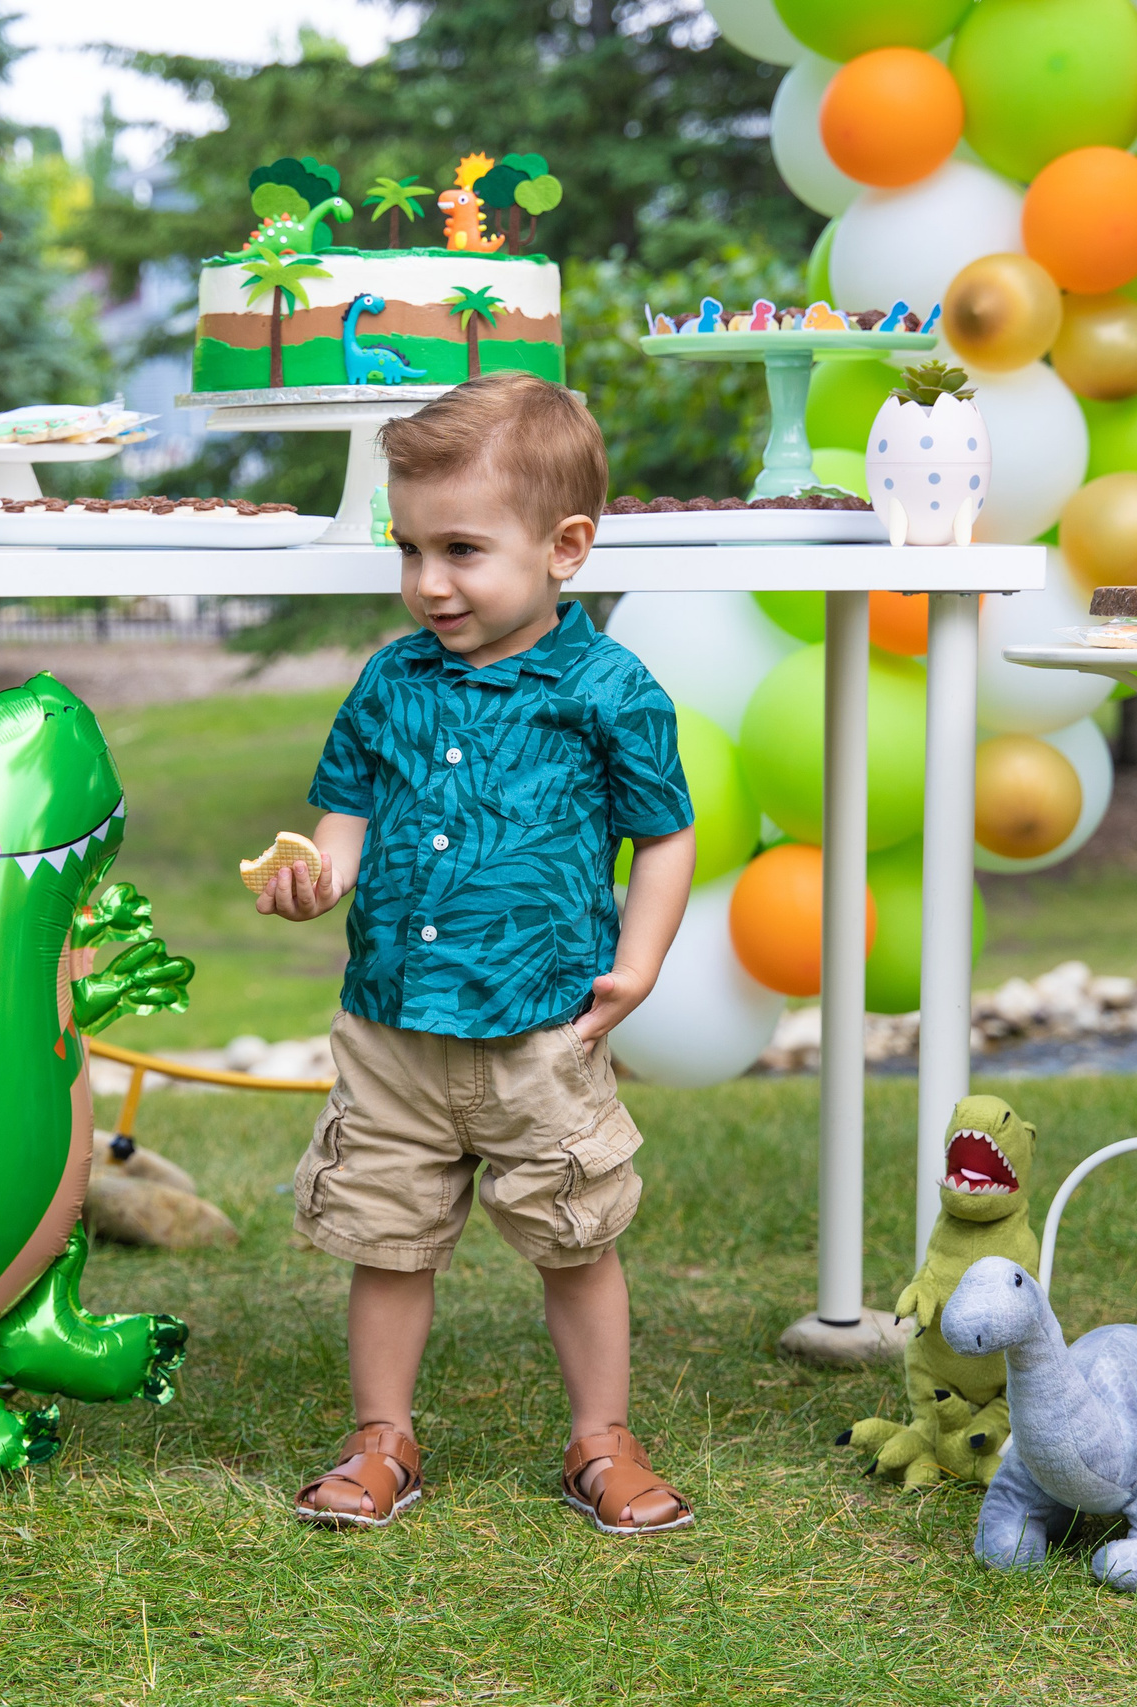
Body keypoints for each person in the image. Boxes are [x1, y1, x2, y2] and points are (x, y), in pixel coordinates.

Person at [253, 371, 699, 1535]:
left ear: (565, 548)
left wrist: (640, 962)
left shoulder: (608, 690)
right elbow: (347, 817)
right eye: (408, 550)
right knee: (388, 1237)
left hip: (540, 1026)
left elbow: (665, 834)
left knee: (573, 1234)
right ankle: (380, 1439)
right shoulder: (389, 681)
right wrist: (320, 877)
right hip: (392, 1028)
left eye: (460, 550)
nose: (428, 583)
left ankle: (602, 1439)